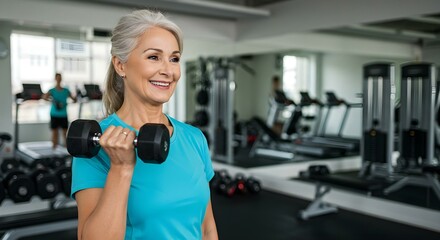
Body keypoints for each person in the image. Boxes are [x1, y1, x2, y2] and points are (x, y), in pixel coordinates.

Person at [71, 9, 218, 240]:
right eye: (153, 57)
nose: (168, 71)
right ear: (120, 65)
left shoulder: (194, 138)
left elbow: (207, 228)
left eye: (174, 58)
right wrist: (121, 168)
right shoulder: (97, 145)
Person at [42, 73, 77, 149]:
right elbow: (44, 97)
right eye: (57, 78)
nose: (58, 79)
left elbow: (74, 99)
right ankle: (54, 149)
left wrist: (75, 98)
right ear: (55, 79)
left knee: (65, 133)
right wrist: (52, 101)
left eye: (60, 78)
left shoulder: (66, 90)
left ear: (61, 79)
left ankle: (66, 150)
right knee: (55, 133)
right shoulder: (52, 90)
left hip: (63, 114)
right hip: (54, 114)